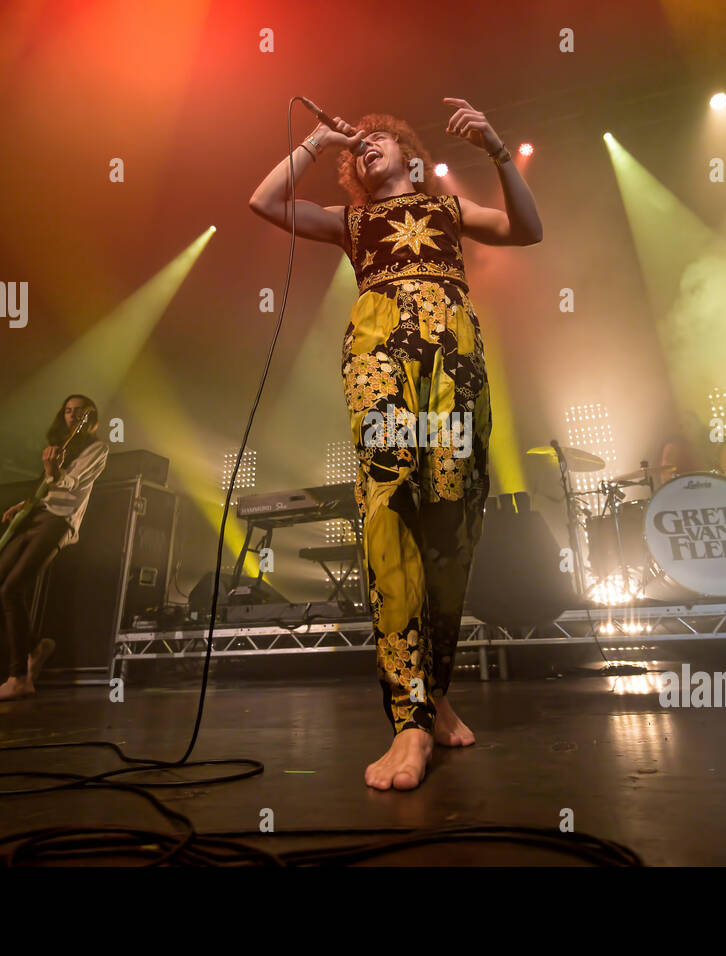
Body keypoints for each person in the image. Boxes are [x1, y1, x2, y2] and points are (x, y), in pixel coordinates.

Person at [249, 98, 542, 790]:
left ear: (412, 157)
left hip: (455, 359)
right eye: (360, 146)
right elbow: (263, 200)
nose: (366, 147)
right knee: (391, 509)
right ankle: (407, 718)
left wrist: (499, 149)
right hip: (381, 355)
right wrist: (321, 141)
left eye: (378, 139)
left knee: (453, 519)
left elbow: (527, 229)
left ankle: (433, 691)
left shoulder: (447, 209)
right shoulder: (351, 221)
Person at [0, 394, 109, 703]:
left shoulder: (98, 449)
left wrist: (53, 471)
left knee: (12, 590)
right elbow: (46, 488)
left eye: (80, 411)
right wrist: (24, 505)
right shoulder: (61, 447)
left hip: (58, 522)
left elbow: (72, 484)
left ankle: (18, 678)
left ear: (92, 418)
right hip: (34, 518)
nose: (73, 416)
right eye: (68, 411)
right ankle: (37, 646)